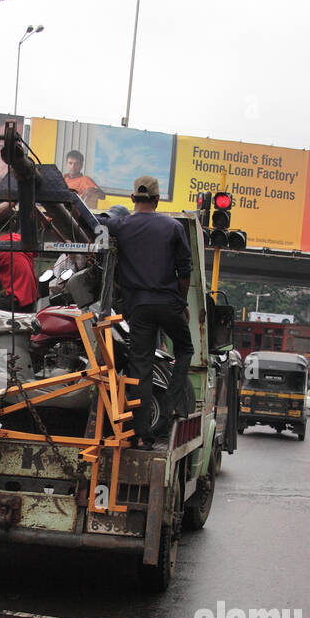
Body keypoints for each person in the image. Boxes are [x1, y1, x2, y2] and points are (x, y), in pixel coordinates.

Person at [99, 175, 194, 447]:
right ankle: (173, 407)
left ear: (132, 199)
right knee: (185, 350)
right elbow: (184, 272)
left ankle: (141, 435)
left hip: (138, 308)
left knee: (141, 367)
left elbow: (94, 223)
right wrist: (182, 302)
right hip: (169, 303)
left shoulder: (121, 224)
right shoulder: (173, 226)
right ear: (157, 199)